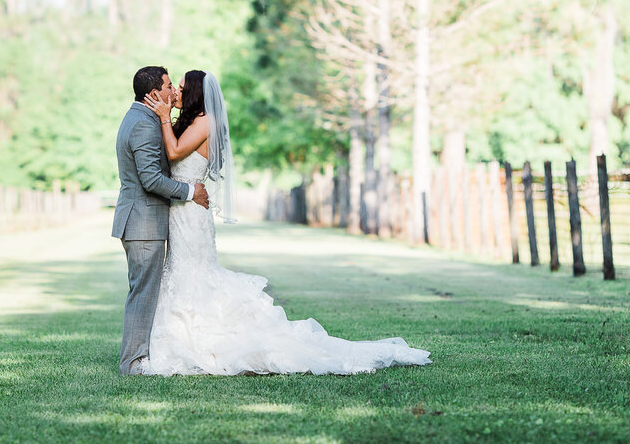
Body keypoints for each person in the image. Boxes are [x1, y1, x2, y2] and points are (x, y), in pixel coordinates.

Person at [140, 69, 431, 375]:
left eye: (182, 89)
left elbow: (173, 152)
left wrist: (161, 116)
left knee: (195, 272)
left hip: (191, 214)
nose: (176, 93)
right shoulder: (190, 122)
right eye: (175, 88)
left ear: (197, 94)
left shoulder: (205, 122)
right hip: (182, 210)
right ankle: (182, 335)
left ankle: (203, 338)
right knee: (183, 272)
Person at [112, 66, 209, 376]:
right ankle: (132, 363)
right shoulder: (142, 124)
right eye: (169, 86)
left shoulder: (143, 118)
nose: (173, 92)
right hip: (142, 225)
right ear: (153, 93)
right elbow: (151, 179)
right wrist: (189, 190)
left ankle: (143, 355)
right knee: (142, 294)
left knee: (145, 292)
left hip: (144, 223)